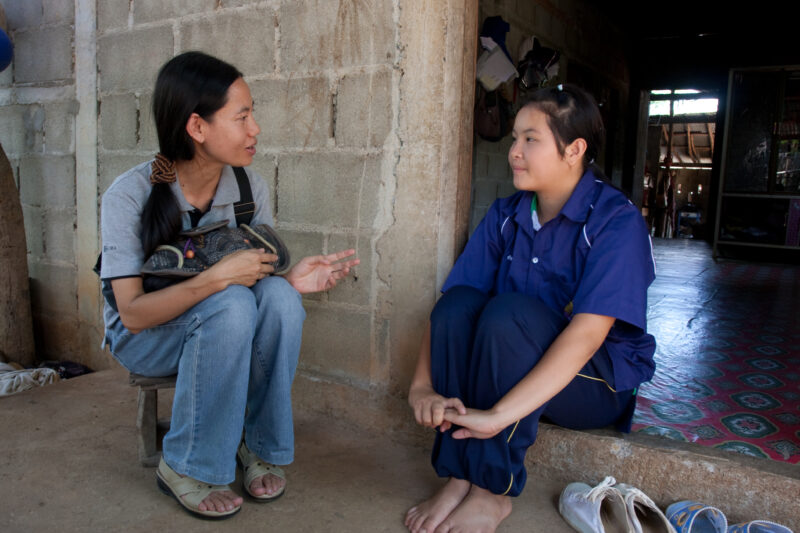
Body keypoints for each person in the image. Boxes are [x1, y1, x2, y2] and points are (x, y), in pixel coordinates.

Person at [99, 51, 359, 519]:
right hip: (147, 336)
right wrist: (215, 280)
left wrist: (289, 280)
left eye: (252, 114)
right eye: (242, 117)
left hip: (220, 324)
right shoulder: (129, 195)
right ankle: (185, 464)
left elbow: (255, 282)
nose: (255, 128)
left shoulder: (247, 189)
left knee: (279, 299)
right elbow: (133, 314)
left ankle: (255, 444)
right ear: (197, 127)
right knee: (232, 303)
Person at [405, 84, 656, 532]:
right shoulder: (506, 214)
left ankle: (490, 491)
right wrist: (421, 386)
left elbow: (587, 337)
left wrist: (497, 418)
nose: (514, 152)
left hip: (593, 385)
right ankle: (459, 477)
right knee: (459, 306)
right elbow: (451, 308)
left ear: (574, 150)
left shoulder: (616, 221)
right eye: (514, 138)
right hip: (513, 364)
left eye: (530, 139)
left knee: (507, 317)